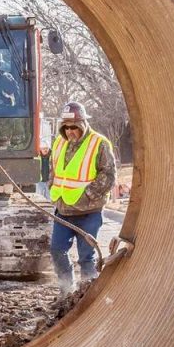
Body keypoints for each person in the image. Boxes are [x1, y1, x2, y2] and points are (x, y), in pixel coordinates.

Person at [48, 101, 116, 295]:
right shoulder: (60, 142)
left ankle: (88, 294)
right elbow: (54, 170)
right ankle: (67, 291)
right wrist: (52, 186)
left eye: (74, 127)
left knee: (86, 257)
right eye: (66, 127)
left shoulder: (99, 143)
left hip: (88, 212)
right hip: (63, 210)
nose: (70, 131)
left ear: (83, 124)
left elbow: (108, 175)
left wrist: (87, 195)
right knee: (57, 250)